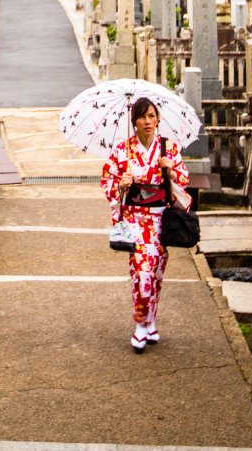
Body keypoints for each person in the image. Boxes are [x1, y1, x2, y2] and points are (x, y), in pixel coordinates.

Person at [101, 96, 190, 351]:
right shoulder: (124, 150)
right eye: (142, 117)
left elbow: (183, 179)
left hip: (161, 218)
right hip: (135, 218)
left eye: (152, 116)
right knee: (141, 271)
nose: (147, 121)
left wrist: (171, 171)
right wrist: (121, 185)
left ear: (158, 119)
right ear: (135, 121)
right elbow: (107, 179)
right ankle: (141, 325)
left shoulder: (167, 148)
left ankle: (150, 320)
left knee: (156, 272)